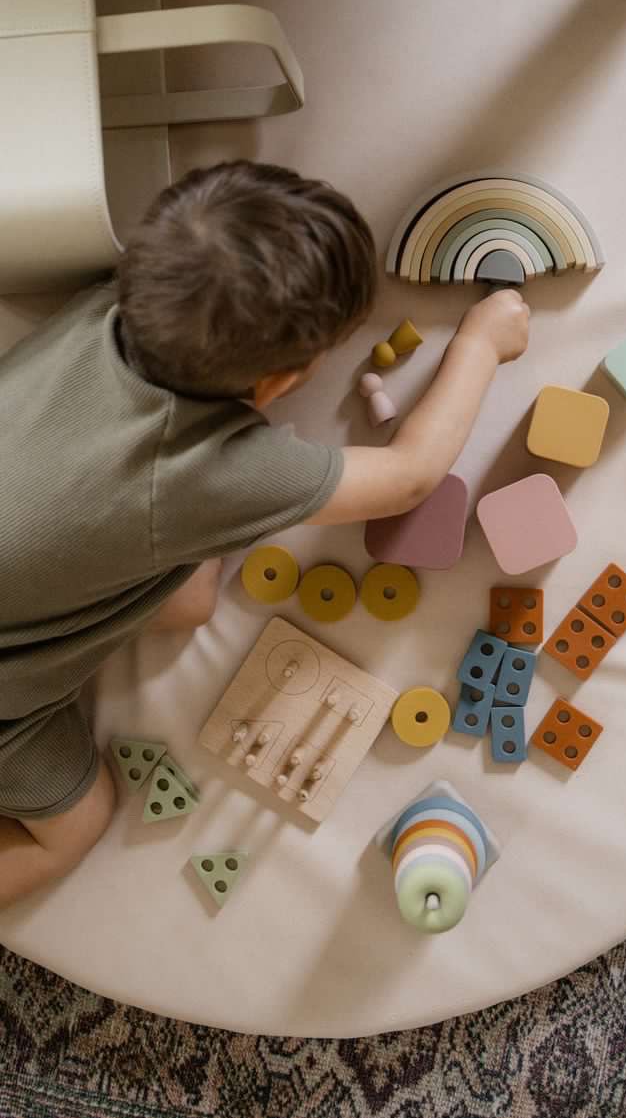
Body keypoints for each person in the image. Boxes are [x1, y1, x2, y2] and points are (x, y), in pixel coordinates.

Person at [0, 159, 529, 909]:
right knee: (75, 826)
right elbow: (410, 476)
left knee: (184, 601)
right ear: (279, 384)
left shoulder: (105, 307)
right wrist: (478, 345)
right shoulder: (207, 472)